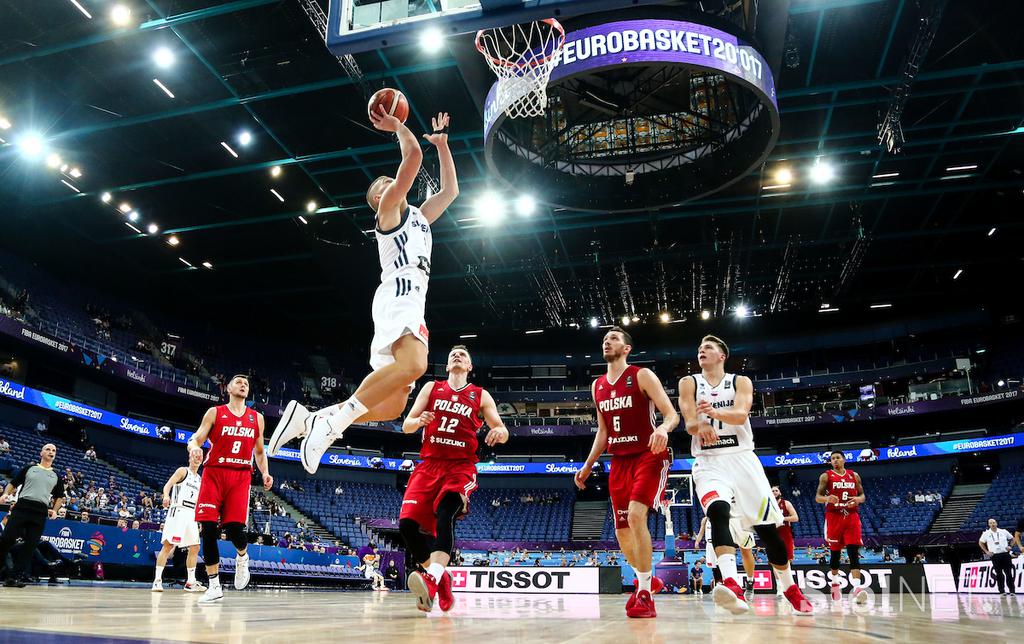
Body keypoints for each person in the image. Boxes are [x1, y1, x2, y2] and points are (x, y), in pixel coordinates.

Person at [268, 111, 459, 474]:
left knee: (391, 407)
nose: (388, 184)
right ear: (378, 200)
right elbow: (413, 158)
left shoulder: (418, 216)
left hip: (408, 299)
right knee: (416, 364)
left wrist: (444, 146)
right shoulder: (388, 213)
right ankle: (330, 427)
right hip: (399, 296)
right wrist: (399, 126)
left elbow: (451, 192)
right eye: (382, 185)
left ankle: (309, 419)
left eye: (391, 180)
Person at [678, 335, 812, 615]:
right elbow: (689, 420)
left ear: (722, 355)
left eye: (709, 348)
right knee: (717, 512)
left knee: (767, 530)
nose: (702, 350)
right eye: (700, 347)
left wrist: (713, 412)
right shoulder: (689, 382)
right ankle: (731, 582)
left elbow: (740, 415)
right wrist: (698, 425)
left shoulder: (741, 381)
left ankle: (789, 587)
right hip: (708, 461)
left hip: (742, 459)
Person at [575, 327, 679, 618]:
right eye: (605, 339)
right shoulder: (597, 386)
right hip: (618, 461)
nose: (607, 342)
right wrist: (587, 464)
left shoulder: (641, 375)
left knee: (635, 516)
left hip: (648, 454)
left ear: (627, 348)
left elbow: (672, 414)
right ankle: (648, 578)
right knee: (622, 532)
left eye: (614, 339)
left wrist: (662, 428)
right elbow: (603, 431)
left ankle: (644, 591)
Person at [399, 345, 509, 613]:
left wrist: (500, 432)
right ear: (447, 366)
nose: (457, 357)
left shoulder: (480, 395)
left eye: (463, 356)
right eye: (452, 356)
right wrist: (419, 420)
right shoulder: (431, 389)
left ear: (469, 367)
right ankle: (441, 578)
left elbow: (500, 427)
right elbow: (406, 425)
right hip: (429, 465)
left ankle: (433, 578)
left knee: (446, 511)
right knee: (406, 527)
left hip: (460, 467)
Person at [186, 375, 273, 603]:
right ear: (228, 388)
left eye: (246, 383)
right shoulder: (215, 412)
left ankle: (242, 557)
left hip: (240, 476)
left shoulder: (257, 418)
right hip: (214, 472)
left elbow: (260, 452)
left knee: (235, 530)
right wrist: (194, 448)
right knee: (207, 528)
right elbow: (195, 439)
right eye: (238, 382)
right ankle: (214, 585)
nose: (243, 385)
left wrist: (265, 472)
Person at [0, 444, 65, 587]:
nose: (51, 452)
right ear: (41, 453)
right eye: (48, 449)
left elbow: (59, 496)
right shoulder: (30, 468)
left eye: (54, 450)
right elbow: (14, 483)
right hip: (22, 507)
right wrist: (5, 494)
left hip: (40, 512)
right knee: (7, 539)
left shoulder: (56, 476)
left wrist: (54, 509)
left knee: (30, 546)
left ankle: (14, 577)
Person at [816, 449, 868, 604]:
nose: (835, 460)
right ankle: (835, 582)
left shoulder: (854, 475)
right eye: (832, 459)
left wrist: (858, 499)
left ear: (844, 460)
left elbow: (863, 496)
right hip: (834, 517)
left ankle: (857, 589)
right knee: (835, 554)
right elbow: (817, 497)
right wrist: (827, 498)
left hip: (851, 516)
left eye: (838, 458)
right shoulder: (826, 476)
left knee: (853, 551)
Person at [152, 450, 205, 593]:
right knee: (168, 546)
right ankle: (157, 581)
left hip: (191, 514)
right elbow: (167, 485)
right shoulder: (182, 471)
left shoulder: (199, 479)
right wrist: (166, 496)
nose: (197, 458)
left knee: (195, 547)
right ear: (189, 457)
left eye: (199, 457)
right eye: (195, 456)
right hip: (178, 510)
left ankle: (190, 582)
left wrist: (199, 518)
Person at [695, 511, 756, 596]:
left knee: (724, 564)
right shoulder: (705, 520)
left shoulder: (724, 516)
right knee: (714, 567)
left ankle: (739, 584)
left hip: (721, 542)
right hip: (709, 544)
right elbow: (701, 531)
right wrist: (697, 542)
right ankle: (719, 584)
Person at [773, 485, 799, 595]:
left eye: (776, 490)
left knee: (787, 560)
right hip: (773, 533)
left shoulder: (786, 503)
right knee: (775, 561)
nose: (774, 492)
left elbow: (796, 517)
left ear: (779, 492)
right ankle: (779, 587)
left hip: (785, 532)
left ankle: (787, 586)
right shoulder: (767, 504)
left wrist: (782, 518)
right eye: (772, 491)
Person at [978, 518, 1015, 595]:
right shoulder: (986, 533)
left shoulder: (1003, 531)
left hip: (1005, 554)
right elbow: (981, 543)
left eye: (994, 522)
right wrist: (986, 551)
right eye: (991, 523)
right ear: (988, 524)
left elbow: (1012, 539)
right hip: (995, 556)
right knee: (999, 574)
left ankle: (1012, 591)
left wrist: (1010, 546)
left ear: (996, 523)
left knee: (1008, 573)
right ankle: (1002, 591)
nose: (993, 524)